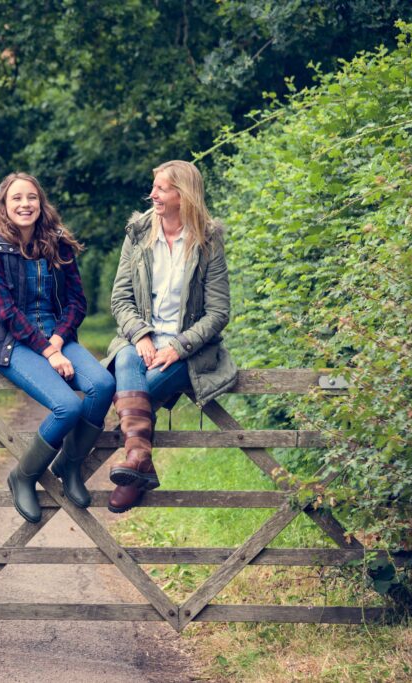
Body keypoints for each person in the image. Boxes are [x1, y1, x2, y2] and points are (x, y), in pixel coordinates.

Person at [0, 172, 115, 523]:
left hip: (56, 335)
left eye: (32, 197)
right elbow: (5, 312)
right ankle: (23, 475)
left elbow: (76, 302)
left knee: (103, 385)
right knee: (66, 406)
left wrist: (58, 339)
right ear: (3, 205)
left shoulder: (59, 242)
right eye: (17, 198)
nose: (25, 204)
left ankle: (69, 465)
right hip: (11, 342)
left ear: (41, 202)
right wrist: (48, 351)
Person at [103, 160, 237, 513]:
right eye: (154, 188)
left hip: (188, 351)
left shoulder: (208, 242)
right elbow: (120, 298)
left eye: (161, 189)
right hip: (138, 341)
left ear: (184, 195)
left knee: (128, 394)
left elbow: (218, 312)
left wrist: (179, 346)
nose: (153, 195)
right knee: (128, 359)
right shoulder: (138, 233)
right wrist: (141, 335)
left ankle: (136, 462)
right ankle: (139, 460)